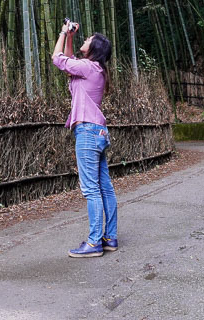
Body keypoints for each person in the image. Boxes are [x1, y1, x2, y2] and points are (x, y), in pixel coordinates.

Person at [51, 19, 117, 258]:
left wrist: (61, 32)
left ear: (94, 49)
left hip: (88, 132)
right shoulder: (94, 69)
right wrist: (70, 37)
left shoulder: (89, 68)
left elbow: (58, 60)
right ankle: (109, 238)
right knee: (104, 188)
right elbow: (69, 63)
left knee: (91, 190)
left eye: (88, 39)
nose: (85, 39)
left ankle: (94, 243)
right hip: (97, 131)